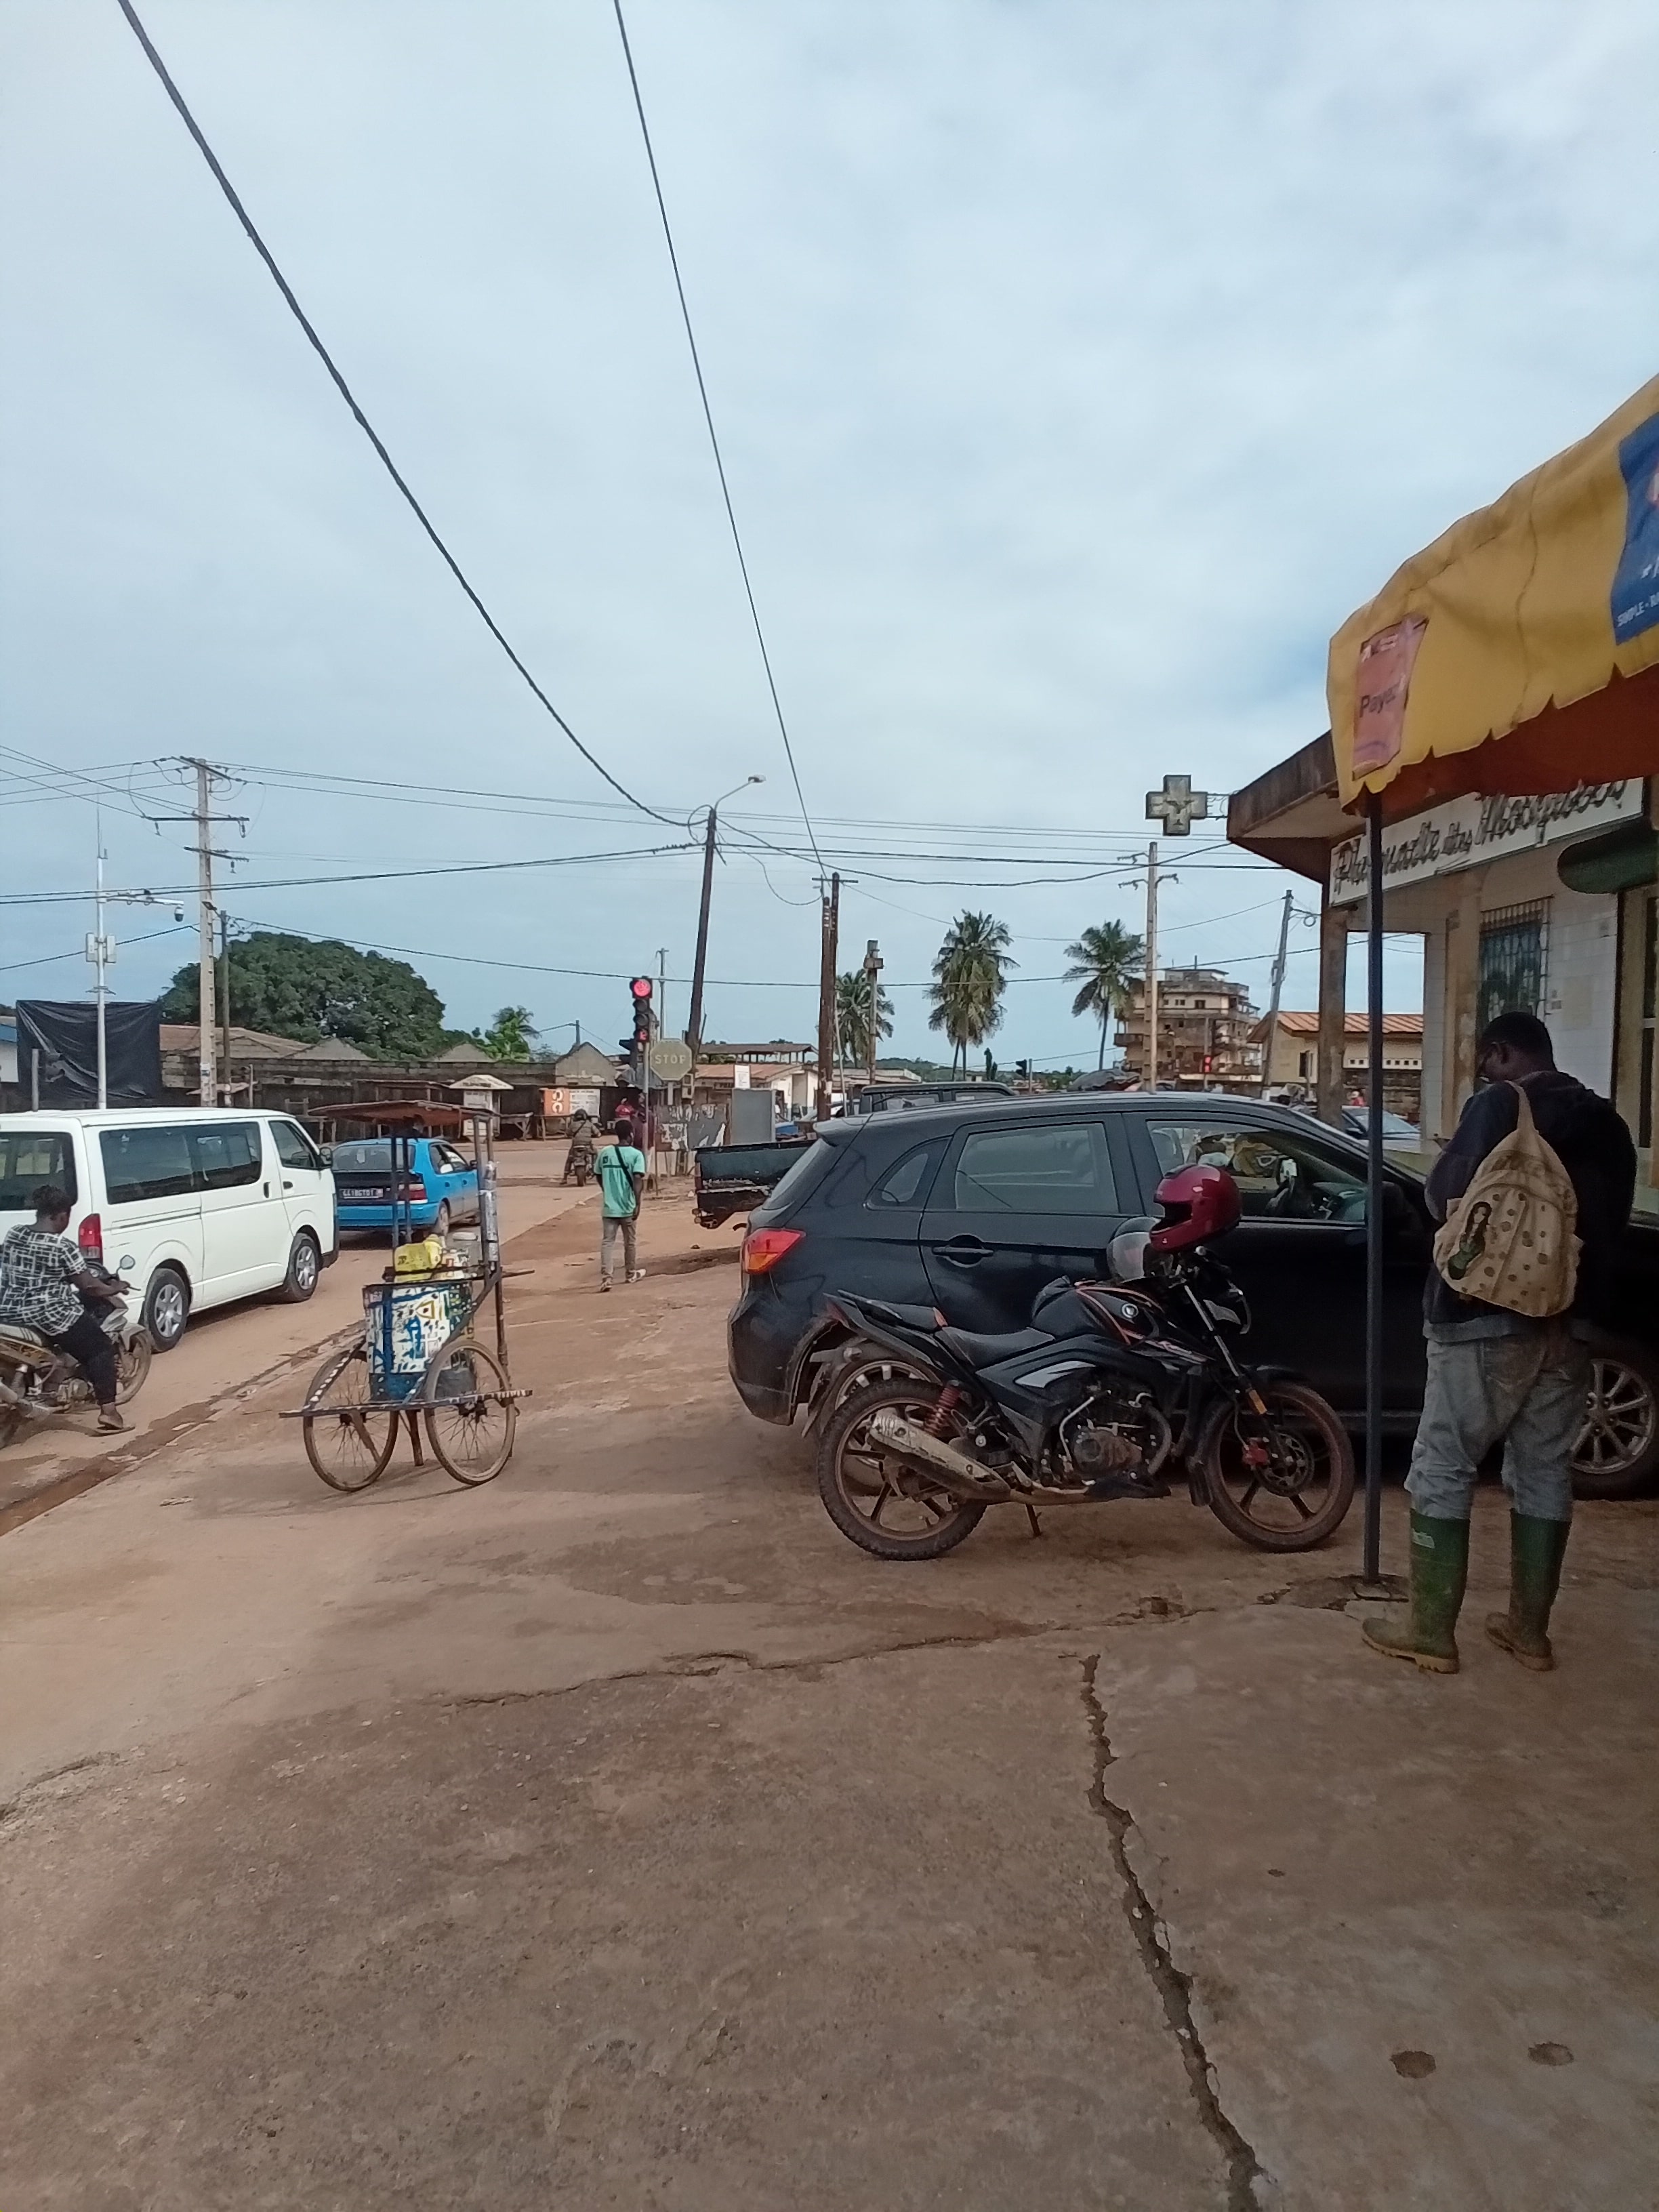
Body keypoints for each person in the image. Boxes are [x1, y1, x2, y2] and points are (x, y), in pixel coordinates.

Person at [1364, 1011, 1635, 1675]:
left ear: (1501, 1053)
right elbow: (1614, 1227)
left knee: (1445, 1461)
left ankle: (1430, 1631)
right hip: (1572, 1323)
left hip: (1483, 1314)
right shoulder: (1610, 1125)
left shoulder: (1499, 1106)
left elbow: (1443, 1199)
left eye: (1486, 1061)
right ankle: (1528, 1632)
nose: (1483, 1074)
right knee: (1544, 1469)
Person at [0, 1185, 129, 1432]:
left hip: (10, 1311)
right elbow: (90, 1287)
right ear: (61, 1216)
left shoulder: (15, 1233)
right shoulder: (63, 1247)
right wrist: (114, 1287)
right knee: (100, 1348)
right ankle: (110, 1414)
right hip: (49, 1315)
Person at [596, 1123, 647, 1292]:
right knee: (629, 1242)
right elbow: (638, 1180)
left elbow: (598, 1174)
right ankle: (630, 1274)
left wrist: (607, 1190)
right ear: (631, 1134)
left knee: (607, 1243)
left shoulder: (605, 1153)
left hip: (609, 1207)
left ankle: (607, 1278)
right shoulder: (636, 1155)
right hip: (628, 1207)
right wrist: (638, 1204)